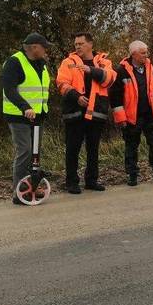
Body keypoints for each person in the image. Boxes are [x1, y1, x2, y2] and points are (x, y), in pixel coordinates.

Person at [56, 32, 116, 194]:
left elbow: (109, 79)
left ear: (90, 44)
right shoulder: (68, 62)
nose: (77, 46)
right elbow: (62, 84)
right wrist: (77, 97)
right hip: (74, 111)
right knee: (72, 148)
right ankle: (72, 182)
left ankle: (91, 180)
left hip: (96, 111)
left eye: (81, 44)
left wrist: (90, 69)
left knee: (93, 148)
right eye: (76, 44)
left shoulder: (104, 62)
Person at [110, 40, 153, 186]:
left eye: (146, 52)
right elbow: (115, 96)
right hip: (132, 116)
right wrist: (121, 118)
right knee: (131, 145)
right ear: (134, 54)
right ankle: (132, 175)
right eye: (143, 53)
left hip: (150, 113)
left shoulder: (152, 66)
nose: (146, 55)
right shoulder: (122, 71)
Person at [2, 33, 51, 205]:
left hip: (38, 116)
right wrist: (25, 107)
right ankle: (19, 191)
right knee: (25, 151)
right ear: (34, 47)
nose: (46, 50)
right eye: (44, 47)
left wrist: (42, 111)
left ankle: (33, 185)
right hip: (18, 116)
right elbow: (9, 90)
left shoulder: (41, 64)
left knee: (36, 154)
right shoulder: (14, 62)